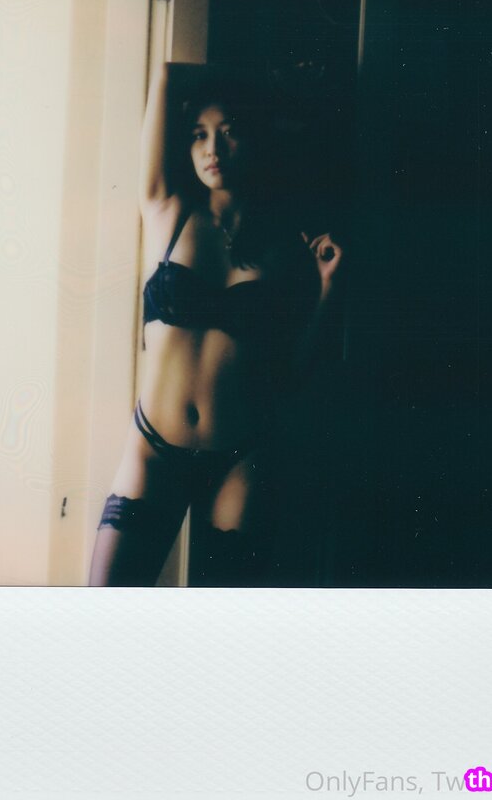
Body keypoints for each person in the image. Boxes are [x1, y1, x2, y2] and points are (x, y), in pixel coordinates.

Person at [88, 62, 345, 586]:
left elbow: (292, 370)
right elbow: (165, 76)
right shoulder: (167, 211)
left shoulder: (284, 248)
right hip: (154, 450)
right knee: (105, 605)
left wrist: (329, 289)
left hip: (240, 458)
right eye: (199, 135)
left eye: (229, 132)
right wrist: (249, 85)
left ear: (256, 140)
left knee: (224, 621)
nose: (213, 148)